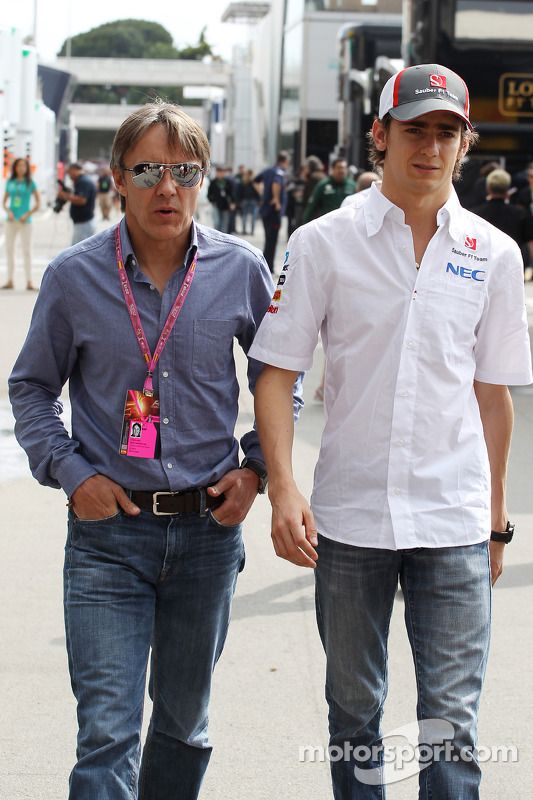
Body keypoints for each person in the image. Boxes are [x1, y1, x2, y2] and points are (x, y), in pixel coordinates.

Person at [250, 64, 532, 799]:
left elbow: (491, 393)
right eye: (414, 130)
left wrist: (495, 516)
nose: (429, 147)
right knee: (353, 715)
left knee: (449, 723)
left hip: (453, 518)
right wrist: (283, 489)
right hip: (349, 517)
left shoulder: (492, 253)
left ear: (465, 144)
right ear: (380, 135)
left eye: (446, 132)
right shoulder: (321, 243)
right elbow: (276, 373)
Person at [9, 100, 289, 800]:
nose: (168, 187)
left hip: (206, 535)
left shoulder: (239, 269)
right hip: (109, 535)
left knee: (183, 727)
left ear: (203, 176)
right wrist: (73, 475)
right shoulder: (75, 277)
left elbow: (279, 382)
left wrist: (255, 469)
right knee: (106, 733)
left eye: (184, 170)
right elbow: (31, 389)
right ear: (117, 178)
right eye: (149, 170)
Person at [472, 168, 533, 270]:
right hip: (512, 265)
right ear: (507, 188)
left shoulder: (475, 214)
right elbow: (530, 243)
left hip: (483, 265)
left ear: (488, 188)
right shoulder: (521, 214)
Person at [2, 157, 40, 290]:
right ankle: (10, 279)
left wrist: (27, 214)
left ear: (27, 168)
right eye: (19, 166)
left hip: (25, 221)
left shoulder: (30, 183)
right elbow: (4, 202)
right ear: (15, 168)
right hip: (11, 221)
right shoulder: (10, 182)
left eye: (24, 166)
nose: (21, 168)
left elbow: (37, 203)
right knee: (10, 250)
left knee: (27, 251)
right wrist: (9, 212)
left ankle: (29, 281)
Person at [254, 151, 290, 273]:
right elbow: (276, 183)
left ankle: (266, 265)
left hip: (265, 210)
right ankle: (269, 267)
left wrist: (262, 194)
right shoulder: (279, 172)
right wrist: (276, 199)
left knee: (268, 240)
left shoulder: (268, 170)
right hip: (274, 211)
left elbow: (256, 181)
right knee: (272, 241)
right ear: (285, 161)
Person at [302, 157, 356, 223]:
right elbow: (312, 206)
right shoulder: (323, 185)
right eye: (339, 167)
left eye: (344, 168)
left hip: (347, 223)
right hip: (328, 224)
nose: (342, 171)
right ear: (332, 169)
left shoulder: (352, 185)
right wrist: (305, 223)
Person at [57, 162, 97, 245]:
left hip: (84, 223)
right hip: (83, 222)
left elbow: (82, 200)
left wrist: (65, 196)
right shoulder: (82, 180)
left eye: (69, 173)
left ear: (74, 170)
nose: (69, 176)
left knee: (78, 251)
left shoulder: (83, 181)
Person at [207, 165, 235, 233]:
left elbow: (232, 193)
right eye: (219, 172)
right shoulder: (213, 182)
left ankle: (223, 237)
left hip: (226, 205)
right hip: (216, 204)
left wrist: (232, 203)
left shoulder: (228, 182)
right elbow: (209, 194)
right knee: (217, 222)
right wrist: (212, 200)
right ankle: (217, 236)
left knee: (224, 223)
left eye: (222, 172)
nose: (221, 174)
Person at [236, 168, 260, 235]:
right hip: (248, 201)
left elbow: (259, 192)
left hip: (251, 201)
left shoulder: (253, 182)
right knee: (247, 216)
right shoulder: (246, 182)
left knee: (249, 217)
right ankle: (247, 231)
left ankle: (249, 231)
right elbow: (240, 192)